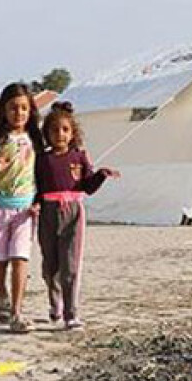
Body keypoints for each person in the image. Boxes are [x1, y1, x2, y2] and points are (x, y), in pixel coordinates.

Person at [34, 102, 120, 330]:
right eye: (54, 130)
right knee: (50, 265)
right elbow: (37, 187)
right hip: (48, 214)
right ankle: (55, 305)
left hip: (73, 213)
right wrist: (34, 205)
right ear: (47, 133)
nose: (59, 134)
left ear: (73, 133)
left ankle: (71, 313)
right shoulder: (42, 160)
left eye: (65, 129)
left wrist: (101, 175)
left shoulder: (79, 157)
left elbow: (87, 186)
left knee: (70, 263)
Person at [0, 82, 43, 334]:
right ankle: (1, 294)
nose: (19, 113)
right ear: (4, 111)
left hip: (25, 210)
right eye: (14, 108)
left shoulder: (35, 140)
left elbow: (42, 173)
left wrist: (39, 201)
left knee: (20, 258)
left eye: (24, 108)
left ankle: (17, 312)